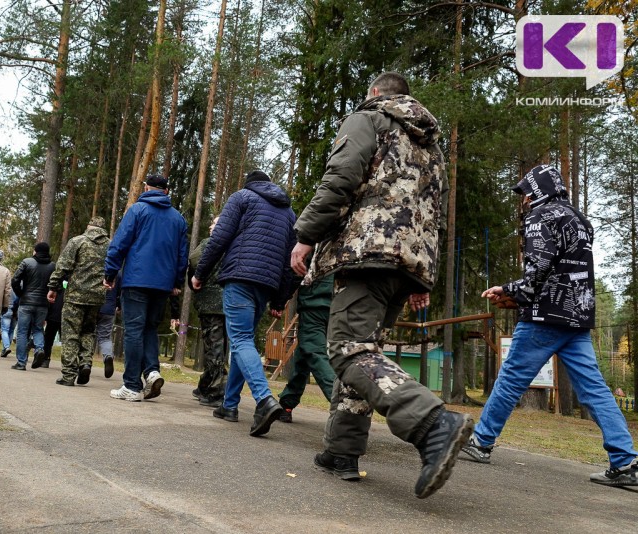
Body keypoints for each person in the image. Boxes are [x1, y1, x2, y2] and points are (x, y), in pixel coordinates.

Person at [290, 72, 471, 499]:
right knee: (364, 351)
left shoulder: (368, 118)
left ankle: (431, 422)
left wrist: (305, 234)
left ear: (376, 93)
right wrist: (423, 274)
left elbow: (340, 178)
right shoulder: (431, 144)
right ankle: (342, 450)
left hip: (369, 250)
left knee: (348, 348)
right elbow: (434, 210)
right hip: (409, 259)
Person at [462, 164, 638, 487]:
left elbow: (537, 274)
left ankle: (481, 442)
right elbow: (562, 269)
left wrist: (510, 292)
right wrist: (519, 293)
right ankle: (625, 462)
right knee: (595, 389)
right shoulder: (580, 221)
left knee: (511, 378)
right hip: (577, 318)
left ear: (539, 191)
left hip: (545, 317)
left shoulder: (540, 218)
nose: (525, 201)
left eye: (527, 193)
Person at [193, 169, 296, 436]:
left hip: (239, 276)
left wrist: (200, 273)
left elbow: (219, 239)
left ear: (248, 183)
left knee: (239, 340)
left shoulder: (242, 197)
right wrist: (281, 298)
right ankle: (229, 405)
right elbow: (290, 261)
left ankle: (264, 400)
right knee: (244, 340)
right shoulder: (288, 213)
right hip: (267, 283)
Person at [106, 175, 188, 402]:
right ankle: (152, 372)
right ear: (167, 191)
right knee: (149, 328)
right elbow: (183, 256)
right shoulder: (178, 219)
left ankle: (131, 385)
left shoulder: (137, 210)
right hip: (162, 285)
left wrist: (110, 274)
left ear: (146, 188)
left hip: (137, 280)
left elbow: (120, 244)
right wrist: (176, 283)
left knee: (133, 330)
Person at [48, 217, 109, 386]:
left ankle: (68, 375)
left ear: (89, 226)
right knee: (88, 331)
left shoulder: (77, 241)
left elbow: (63, 266)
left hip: (76, 295)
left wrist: (53, 287)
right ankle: (85, 363)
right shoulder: (110, 246)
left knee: (70, 334)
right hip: (97, 297)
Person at [278, 274, 336, 423]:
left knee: (313, 351)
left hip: (315, 300)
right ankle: (287, 403)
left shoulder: (310, 249)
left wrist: (280, 300)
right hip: (340, 302)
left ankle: (342, 402)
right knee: (304, 349)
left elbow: (296, 270)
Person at [187, 216, 228, 408]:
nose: (210, 226)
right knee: (219, 347)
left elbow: (194, 262)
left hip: (211, 303)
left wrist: (194, 281)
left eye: (214, 223)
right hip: (230, 302)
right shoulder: (234, 245)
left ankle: (217, 392)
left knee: (214, 348)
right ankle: (205, 385)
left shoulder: (208, 244)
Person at [11, 242, 55, 371]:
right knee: (38, 329)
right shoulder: (53, 266)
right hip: (43, 303)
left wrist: (21, 294)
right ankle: (39, 349)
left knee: (22, 332)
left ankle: (21, 362)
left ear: (35, 251)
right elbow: (57, 282)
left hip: (26, 302)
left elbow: (15, 280)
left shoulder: (27, 262)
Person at [96, 271, 120, 378]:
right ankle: (108, 356)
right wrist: (119, 306)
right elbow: (120, 292)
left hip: (93, 306)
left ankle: (85, 363)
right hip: (109, 308)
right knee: (105, 337)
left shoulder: (96, 267)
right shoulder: (118, 274)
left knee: (87, 334)